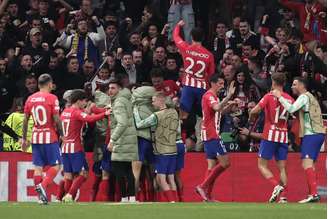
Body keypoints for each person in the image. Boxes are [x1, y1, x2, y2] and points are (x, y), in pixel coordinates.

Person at [272, 77, 326, 203]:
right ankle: (313, 194)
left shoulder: (304, 97)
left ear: (302, 85)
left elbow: (291, 109)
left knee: (306, 164)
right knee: (311, 165)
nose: (292, 86)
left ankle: (313, 194)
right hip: (319, 134)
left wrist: (280, 96)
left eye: (295, 84)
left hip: (311, 134)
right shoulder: (310, 97)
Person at [249, 72, 294, 203]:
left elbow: (255, 110)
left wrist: (251, 116)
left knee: (262, 165)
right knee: (282, 167)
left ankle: (276, 186)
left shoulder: (269, 96)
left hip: (270, 134)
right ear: (284, 83)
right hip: (283, 135)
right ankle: (284, 197)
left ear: (273, 83)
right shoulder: (289, 98)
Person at [60, 89, 110, 202]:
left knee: (68, 175)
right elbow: (90, 118)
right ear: (78, 101)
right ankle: (69, 195)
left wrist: (95, 109)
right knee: (84, 173)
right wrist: (105, 114)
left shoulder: (65, 112)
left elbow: (84, 115)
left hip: (65, 147)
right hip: (75, 147)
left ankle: (65, 198)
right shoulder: (76, 112)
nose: (85, 103)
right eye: (84, 101)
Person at [22, 73, 63, 205]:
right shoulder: (52, 98)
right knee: (57, 165)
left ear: (39, 84)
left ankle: (41, 198)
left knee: (38, 168)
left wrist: (24, 139)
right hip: (49, 136)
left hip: (35, 136)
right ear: (49, 84)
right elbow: (56, 119)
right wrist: (62, 134)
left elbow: (25, 120)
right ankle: (43, 186)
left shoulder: (30, 99)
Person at [195, 74, 236, 202]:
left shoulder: (214, 97)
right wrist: (229, 96)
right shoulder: (209, 96)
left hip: (209, 134)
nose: (222, 86)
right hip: (212, 134)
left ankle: (207, 197)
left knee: (211, 167)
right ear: (212, 83)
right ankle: (202, 186)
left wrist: (229, 106)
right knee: (225, 163)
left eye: (223, 84)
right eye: (220, 83)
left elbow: (219, 112)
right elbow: (217, 107)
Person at [134, 92, 180, 202]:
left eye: (154, 100)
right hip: (173, 148)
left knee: (161, 178)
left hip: (162, 150)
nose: (152, 102)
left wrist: (135, 111)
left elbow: (139, 124)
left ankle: (171, 201)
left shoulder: (156, 116)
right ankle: (176, 201)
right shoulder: (174, 112)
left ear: (161, 101)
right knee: (171, 178)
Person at [173, 20, 215, 120]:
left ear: (191, 37)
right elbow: (211, 73)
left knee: (183, 116)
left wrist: (178, 26)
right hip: (202, 88)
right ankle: (204, 134)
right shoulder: (209, 55)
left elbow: (176, 37)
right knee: (205, 115)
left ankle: (181, 135)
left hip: (188, 87)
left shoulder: (185, 48)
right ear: (203, 38)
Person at [107, 79, 138, 203]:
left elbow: (122, 123)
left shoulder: (119, 103)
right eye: (109, 88)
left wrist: (112, 140)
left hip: (122, 140)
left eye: (113, 88)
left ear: (119, 89)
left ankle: (124, 197)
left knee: (118, 170)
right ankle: (132, 197)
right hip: (129, 140)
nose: (110, 90)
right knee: (128, 170)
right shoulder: (126, 99)